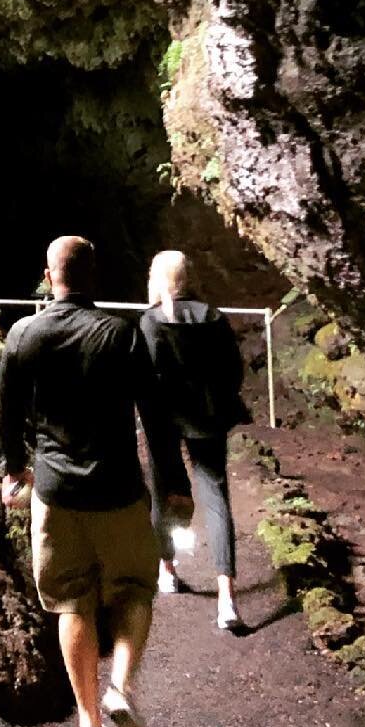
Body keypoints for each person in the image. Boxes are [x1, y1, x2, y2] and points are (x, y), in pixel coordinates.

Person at [0, 235, 192, 727]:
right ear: (94, 275)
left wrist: (14, 471)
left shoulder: (23, 335)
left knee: (71, 602)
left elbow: (8, 416)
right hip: (119, 491)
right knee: (134, 589)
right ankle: (121, 690)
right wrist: (174, 483)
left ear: (48, 275)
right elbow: (154, 415)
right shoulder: (122, 336)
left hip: (56, 495)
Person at [140, 249, 250, 632]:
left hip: (164, 423)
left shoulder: (150, 322)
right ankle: (227, 600)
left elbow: (146, 381)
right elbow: (233, 371)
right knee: (216, 498)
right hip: (207, 421)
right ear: (188, 277)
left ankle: (166, 569)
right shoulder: (212, 316)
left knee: (163, 493)